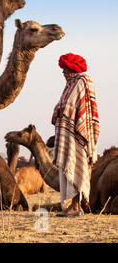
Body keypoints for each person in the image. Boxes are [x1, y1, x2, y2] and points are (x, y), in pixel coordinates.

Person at [51, 53, 100, 216]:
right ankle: (73, 206)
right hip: (69, 134)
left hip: (77, 136)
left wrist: (61, 112)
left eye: (65, 69)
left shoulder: (82, 83)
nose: (63, 72)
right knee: (69, 167)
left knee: (75, 166)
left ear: (72, 69)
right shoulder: (70, 85)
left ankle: (76, 206)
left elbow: (73, 110)